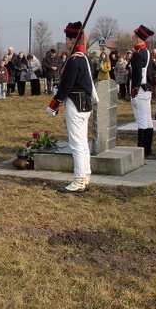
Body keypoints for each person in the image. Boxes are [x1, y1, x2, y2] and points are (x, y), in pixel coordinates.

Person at [48, 22, 96, 193]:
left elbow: (66, 85)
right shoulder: (86, 59)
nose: (66, 42)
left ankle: (78, 180)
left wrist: (54, 103)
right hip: (85, 103)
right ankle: (85, 175)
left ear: (72, 40)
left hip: (75, 103)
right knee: (82, 143)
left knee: (76, 144)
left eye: (67, 39)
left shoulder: (75, 60)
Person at [129, 25, 155, 157]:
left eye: (134, 38)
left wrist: (133, 92)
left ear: (139, 39)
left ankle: (142, 149)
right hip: (146, 89)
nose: (132, 40)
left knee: (141, 120)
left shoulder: (138, 55)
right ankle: (148, 149)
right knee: (148, 120)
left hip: (139, 90)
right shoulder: (147, 52)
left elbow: (137, 75)